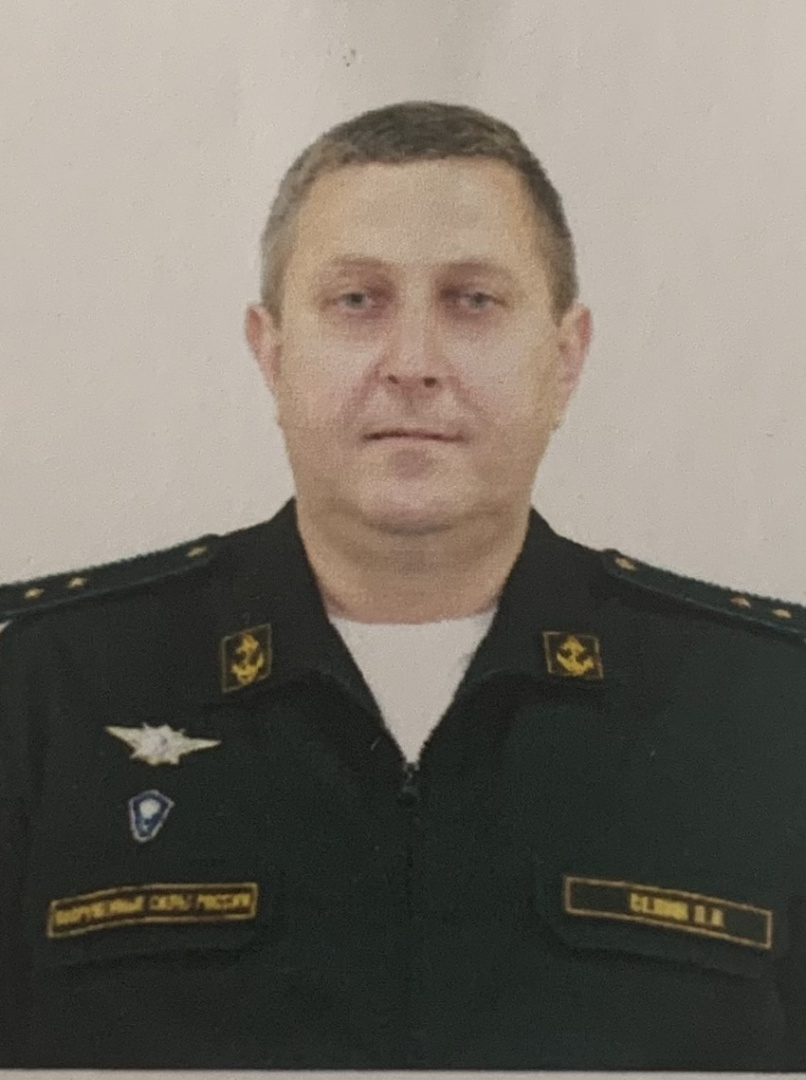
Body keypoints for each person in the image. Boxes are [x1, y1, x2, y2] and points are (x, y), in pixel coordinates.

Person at [0, 100, 803, 1071]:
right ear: (272, 353)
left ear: (564, 359)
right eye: (356, 300)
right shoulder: (41, 684)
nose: (413, 365)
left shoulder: (771, 702)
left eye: (473, 301)